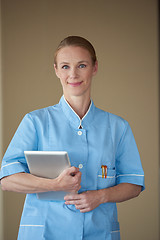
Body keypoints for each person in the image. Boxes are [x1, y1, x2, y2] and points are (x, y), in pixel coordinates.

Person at [0, 36, 145, 240]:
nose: (73, 74)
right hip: (44, 233)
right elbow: (7, 179)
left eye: (82, 65)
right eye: (65, 66)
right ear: (56, 70)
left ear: (94, 68)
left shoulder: (118, 127)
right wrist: (55, 185)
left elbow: (134, 183)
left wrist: (101, 196)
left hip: (99, 233)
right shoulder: (35, 122)